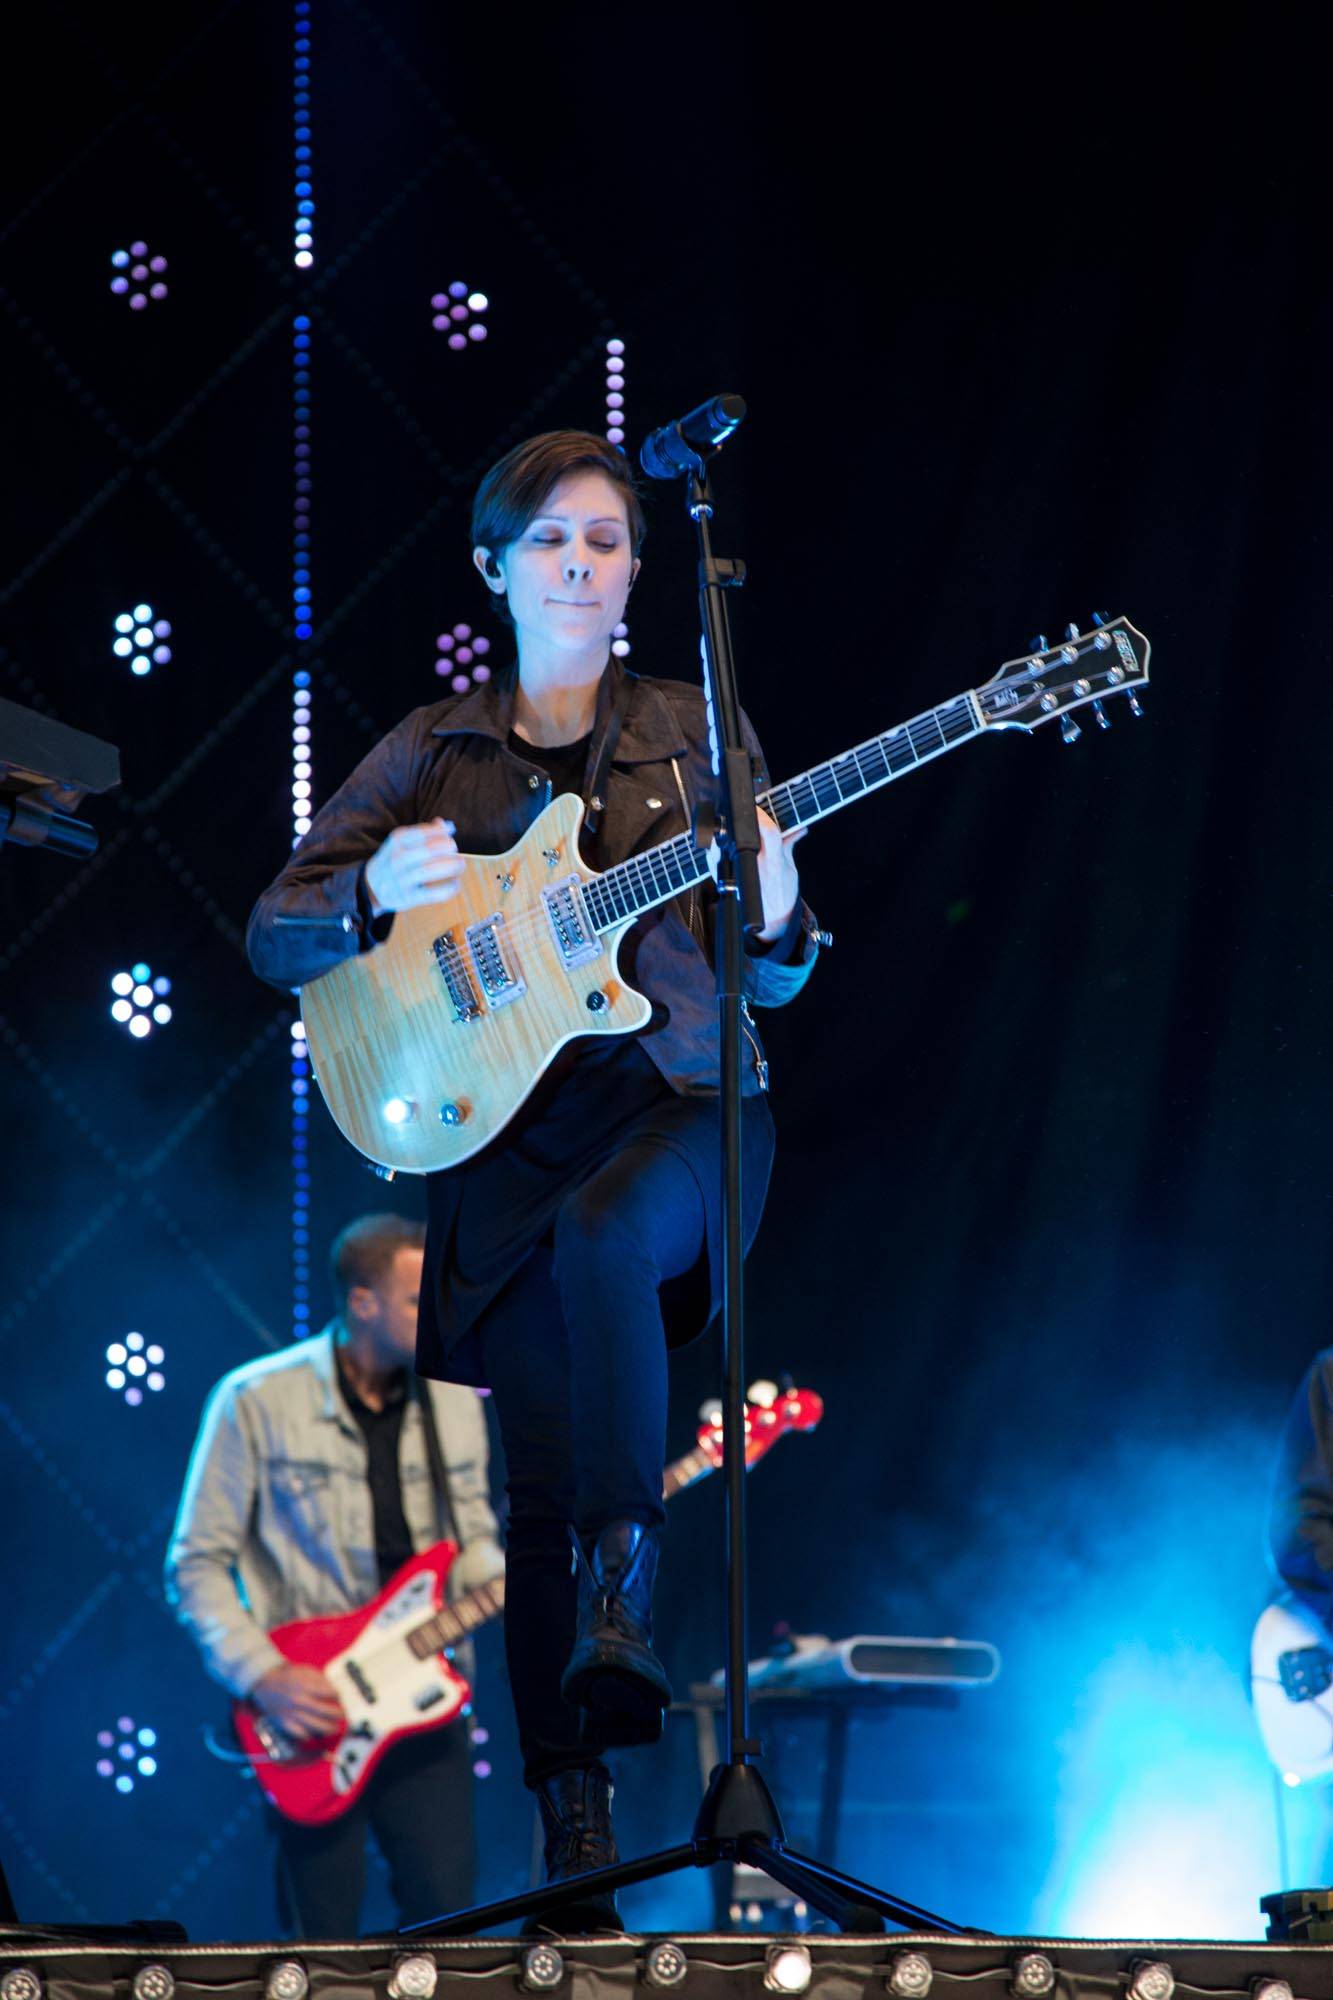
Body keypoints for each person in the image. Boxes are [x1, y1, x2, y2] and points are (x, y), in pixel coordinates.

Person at [245, 430, 823, 1930]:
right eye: (552, 540)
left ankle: (625, 1579)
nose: (580, 564)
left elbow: (773, 970)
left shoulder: (696, 732)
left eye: (606, 541)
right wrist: (369, 891)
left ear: (636, 571)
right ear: (495, 567)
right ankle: (576, 1841)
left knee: (609, 1233)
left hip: (684, 1104)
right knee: (535, 1491)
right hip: (501, 1143)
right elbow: (274, 929)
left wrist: (774, 903)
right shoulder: (431, 750)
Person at [166, 1213, 504, 1937]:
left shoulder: (455, 1396)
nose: (437, 1317)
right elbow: (195, 1564)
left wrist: (530, 1571)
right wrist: (263, 1675)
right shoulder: (255, 1400)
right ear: (362, 1303)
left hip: (428, 1697)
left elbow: (473, 1542)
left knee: (450, 1926)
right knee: (320, 1943)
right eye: (416, 1300)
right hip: (309, 1712)